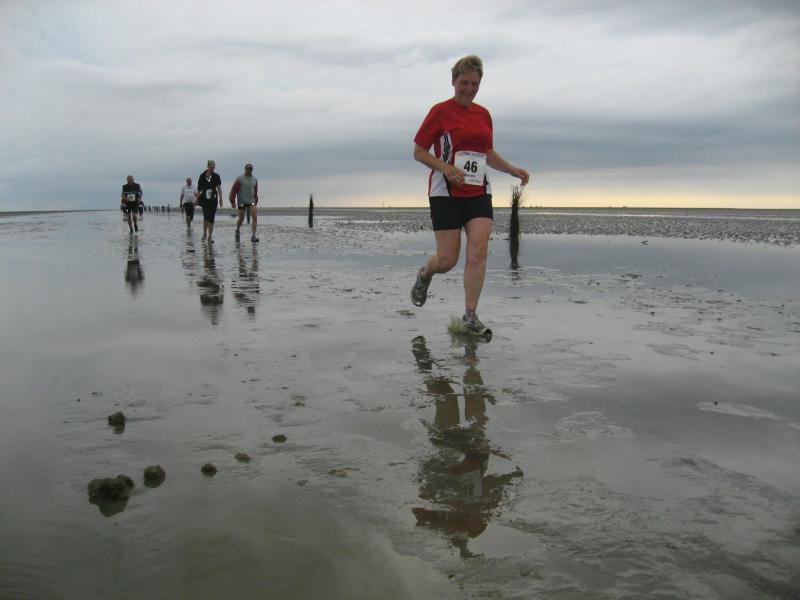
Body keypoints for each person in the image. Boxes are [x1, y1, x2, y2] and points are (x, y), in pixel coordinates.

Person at [410, 55, 529, 336]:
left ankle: (470, 317)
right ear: (454, 81)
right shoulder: (440, 112)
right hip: (446, 193)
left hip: (478, 191)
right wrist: (446, 167)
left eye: (475, 84)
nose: (469, 89)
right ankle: (425, 274)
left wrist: (512, 169)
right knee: (447, 260)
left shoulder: (483, 114)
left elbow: (486, 153)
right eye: (464, 83)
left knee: (478, 250)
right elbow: (419, 151)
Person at [229, 163, 259, 242]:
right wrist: (232, 201)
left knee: (254, 216)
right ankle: (237, 229)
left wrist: (256, 199)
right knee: (241, 218)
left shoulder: (254, 179)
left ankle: (253, 235)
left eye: (250, 169)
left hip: (251, 201)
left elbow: (255, 190)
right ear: (245, 169)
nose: (249, 170)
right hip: (242, 201)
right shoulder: (240, 179)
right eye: (248, 169)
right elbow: (234, 189)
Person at [194, 160, 223, 242]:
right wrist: (196, 200)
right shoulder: (202, 176)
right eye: (211, 166)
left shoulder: (216, 176)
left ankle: (210, 237)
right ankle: (204, 233)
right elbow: (199, 189)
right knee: (206, 217)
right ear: (208, 166)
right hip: (204, 199)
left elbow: (219, 187)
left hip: (213, 199)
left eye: (214, 166)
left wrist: (221, 199)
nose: (213, 167)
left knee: (211, 218)